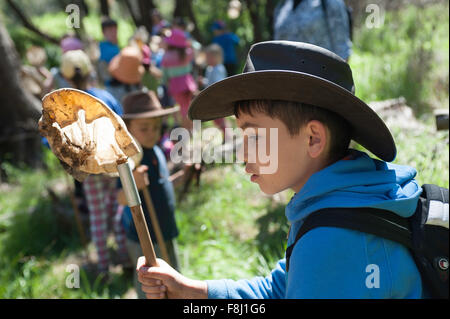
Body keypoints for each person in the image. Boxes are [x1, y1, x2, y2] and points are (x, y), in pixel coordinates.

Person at [136, 41, 424, 299]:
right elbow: (279, 290)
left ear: (313, 139)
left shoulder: (332, 237)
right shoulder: (342, 198)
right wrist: (191, 291)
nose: (242, 154)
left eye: (254, 137)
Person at [60, 49, 128, 277]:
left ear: (66, 78)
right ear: (90, 71)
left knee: (98, 217)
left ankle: (103, 268)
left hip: (87, 170)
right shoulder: (103, 97)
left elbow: (50, 140)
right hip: (112, 164)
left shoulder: (63, 106)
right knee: (117, 209)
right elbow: (121, 123)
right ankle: (125, 259)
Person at [116, 90, 180, 298]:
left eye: (156, 127)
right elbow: (120, 199)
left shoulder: (158, 151)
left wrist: (184, 176)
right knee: (152, 286)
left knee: (174, 277)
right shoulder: (128, 162)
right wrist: (133, 184)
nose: (152, 133)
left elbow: (163, 185)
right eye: (144, 129)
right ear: (128, 131)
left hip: (166, 229)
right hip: (146, 240)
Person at [273, 0, 352, 61]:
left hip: (322, 77)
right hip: (286, 77)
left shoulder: (329, 3)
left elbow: (343, 50)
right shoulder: (283, 6)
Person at [160, 29, 197, 130]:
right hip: (187, 82)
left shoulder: (167, 56)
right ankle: (191, 128)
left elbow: (164, 74)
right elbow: (194, 50)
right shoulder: (187, 52)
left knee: (182, 108)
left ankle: (186, 128)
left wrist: (164, 84)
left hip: (176, 85)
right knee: (188, 106)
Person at [199, 44, 230, 139]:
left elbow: (218, 83)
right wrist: (203, 81)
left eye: (208, 57)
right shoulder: (209, 69)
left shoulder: (219, 69)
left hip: (218, 98)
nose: (206, 59)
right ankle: (225, 134)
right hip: (211, 97)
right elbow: (209, 83)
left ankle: (227, 135)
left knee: (219, 118)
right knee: (216, 119)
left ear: (216, 58)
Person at [98, 18, 120, 86]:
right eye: (110, 30)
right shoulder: (104, 47)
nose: (113, 33)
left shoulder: (115, 46)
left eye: (115, 30)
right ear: (103, 32)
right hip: (113, 86)